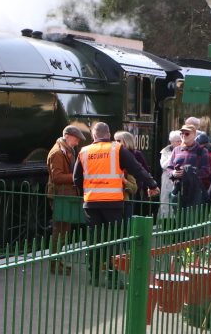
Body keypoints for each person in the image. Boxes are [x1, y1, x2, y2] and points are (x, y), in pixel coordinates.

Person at [73, 122, 159, 286]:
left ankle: (94, 276)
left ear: (94, 135)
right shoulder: (117, 149)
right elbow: (137, 168)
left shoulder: (84, 151)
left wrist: (90, 189)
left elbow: (76, 179)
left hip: (91, 203)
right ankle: (112, 278)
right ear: (109, 134)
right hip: (113, 203)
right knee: (114, 240)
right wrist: (152, 184)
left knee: (94, 240)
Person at [46, 125, 85, 271]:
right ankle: (54, 263)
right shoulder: (57, 153)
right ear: (67, 136)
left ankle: (57, 261)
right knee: (60, 230)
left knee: (63, 230)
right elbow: (57, 177)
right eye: (76, 139)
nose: (77, 142)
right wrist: (77, 177)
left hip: (65, 195)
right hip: (60, 195)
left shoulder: (66, 150)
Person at [168, 124, 211, 209]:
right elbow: (169, 168)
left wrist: (188, 172)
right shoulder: (176, 150)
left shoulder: (202, 151)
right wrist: (174, 173)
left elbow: (206, 171)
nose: (183, 135)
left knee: (193, 216)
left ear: (194, 135)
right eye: (182, 133)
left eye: (187, 133)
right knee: (179, 215)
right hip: (178, 189)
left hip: (195, 191)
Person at [159, 130, 182, 218]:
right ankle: (165, 221)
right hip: (167, 178)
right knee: (166, 201)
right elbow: (164, 165)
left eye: (180, 141)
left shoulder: (184, 150)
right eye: (177, 141)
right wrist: (174, 154)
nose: (180, 143)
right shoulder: (165, 151)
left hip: (179, 178)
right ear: (171, 142)